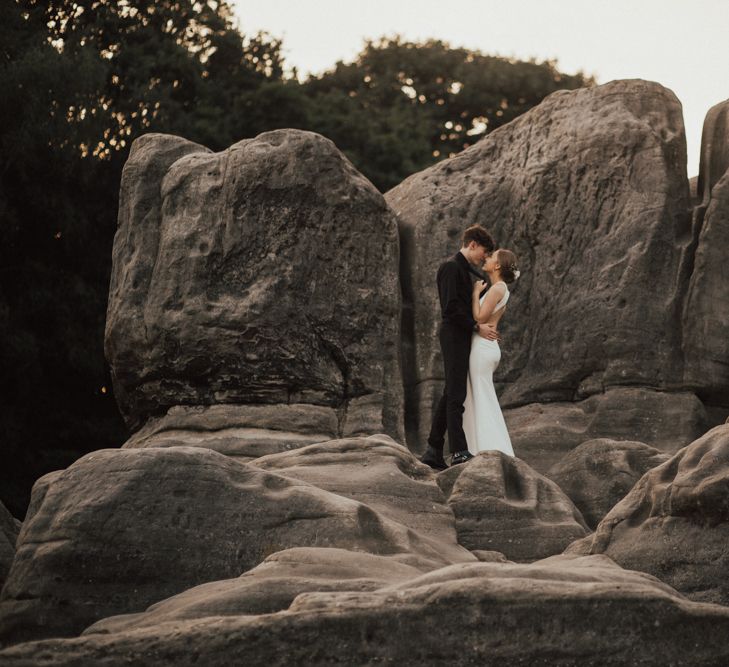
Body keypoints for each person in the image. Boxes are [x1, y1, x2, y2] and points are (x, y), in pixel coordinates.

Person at [420, 225, 498, 470]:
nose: (484, 258)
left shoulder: (466, 270)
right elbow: (450, 309)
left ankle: (433, 449)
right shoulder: (451, 267)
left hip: (461, 335)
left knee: (450, 392)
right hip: (454, 334)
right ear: (472, 244)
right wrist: (477, 327)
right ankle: (458, 452)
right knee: (457, 395)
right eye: (484, 252)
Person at [462, 249, 520, 456]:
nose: (486, 258)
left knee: (480, 396)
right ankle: (482, 447)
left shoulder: (497, 289)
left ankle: (490, 449)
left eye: (491, 257)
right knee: (480, 395)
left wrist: (475, 293)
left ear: (497, 266)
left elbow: (479, 318)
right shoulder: (502, 289)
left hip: (482, 347)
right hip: (487, 346)